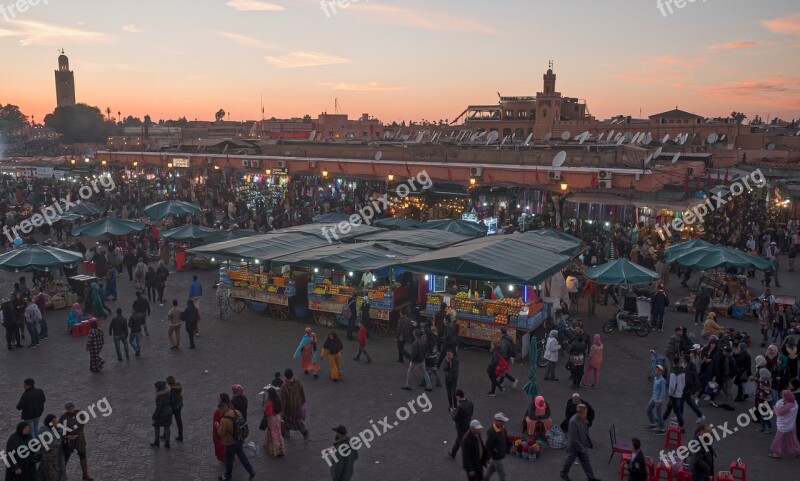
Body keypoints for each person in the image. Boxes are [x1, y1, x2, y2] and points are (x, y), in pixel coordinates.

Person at [215, 403, 256, 481]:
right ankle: (251, 471)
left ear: (221, 409)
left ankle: (228, 476)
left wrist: (217, 426)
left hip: (230, 443)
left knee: (229, 461)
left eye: (219, 411)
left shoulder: (224, 420)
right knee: (242, 456)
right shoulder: (237, 412)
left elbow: (221, 433)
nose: (219, 413)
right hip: (239, 439)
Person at [560, 404, 600, 481]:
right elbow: (573, 437)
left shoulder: (582, 419)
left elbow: (585, 431)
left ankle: (591, 477)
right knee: (569, 461)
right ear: (579, 413)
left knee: (586, 462)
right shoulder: (573, 422)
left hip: (582, 445)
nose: (585, 415)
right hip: (574, 447)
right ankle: (563, 474)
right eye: (584, 413)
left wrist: (586, 443)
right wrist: (581, 448)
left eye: (586, 413)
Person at [59, 402, 93, 480]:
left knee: (82, 455)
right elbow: (60, 428)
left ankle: (85, 474)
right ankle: (62, 475)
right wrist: (67, 436)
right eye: (69, 408)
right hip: (69, 440)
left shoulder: (80, 414)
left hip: (80, 439)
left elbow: (82, 425)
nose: (71, 409)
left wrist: (77, 435)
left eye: (72, 407)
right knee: (66, 457)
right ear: (67, 409)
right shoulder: (63, 417)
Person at [279, 368, 309, 440]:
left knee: (286, 420)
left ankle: (287, 435)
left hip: (288, 408)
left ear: (285, 376)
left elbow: (282, 400)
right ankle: (303, 430)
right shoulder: (297, 382)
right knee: (297, 420)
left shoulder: (284, 387)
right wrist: (302, 401)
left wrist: (282, 410)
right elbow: (301, 392)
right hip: (297, 405)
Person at [769, 389, 800, 458]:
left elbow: (780, 412)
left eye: (783, 396)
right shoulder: (794, 402)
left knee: (778, 439)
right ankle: (797, 451)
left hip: (784, 425)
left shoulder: (788, 406)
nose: (782, 397)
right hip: (791, 424)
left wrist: (775, 408)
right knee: (792, 439)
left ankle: (777, 453)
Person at [38, 414, 67, 481]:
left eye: (56, 420)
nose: (56, 421)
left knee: (61, 472)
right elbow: (41, 445)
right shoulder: (43, 431)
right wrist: (54, 444)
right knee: (51, 476)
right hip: (49, 459)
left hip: (59, 456)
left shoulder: (55, 428)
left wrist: (59, 427)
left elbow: (64, 432)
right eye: (54, 420)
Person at [662, 357, 686, 432]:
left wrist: (670, 394)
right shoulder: (682, 372)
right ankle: (662, 419)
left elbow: (672, 386)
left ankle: (681, 425)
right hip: (679, 393)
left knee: (676, 410)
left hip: (674, 395)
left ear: (673, 363)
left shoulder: (673, 373)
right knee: (669, 407)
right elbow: (683, 383)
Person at [449, 390, 474, 459]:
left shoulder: (461, 407)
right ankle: (453, 453)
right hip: (468, 425)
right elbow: (471, 413)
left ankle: (467, 460)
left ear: (458, 396)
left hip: (461, 427)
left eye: (456, 398)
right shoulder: (470, 403)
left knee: (462, 443)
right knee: (458, 440)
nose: (456, 399)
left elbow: (455, 418)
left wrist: (452, 412)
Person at [484, 413, 509, 481]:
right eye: (503, 421)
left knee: (491, 469)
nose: (504, 423)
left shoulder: (502, 427)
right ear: (497, 421)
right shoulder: (491, 432)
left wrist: (510, 445)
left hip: (499, 453)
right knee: (502, 474)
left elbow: (505, 437)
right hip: (497, 456)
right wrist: (487, 457)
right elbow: (488, 445)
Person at [150, 380, 173, 449]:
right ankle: (167, 443)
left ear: (159, 388)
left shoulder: (159, 397)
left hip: (162, 414)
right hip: (169, 412)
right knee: (167, 426)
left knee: (156, 426)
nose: (155, 388)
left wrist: (154, 416)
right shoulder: (168, 392)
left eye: (156, 387)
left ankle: (157, 441)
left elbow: (158, 409)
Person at [263, 387, 285, 457]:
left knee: (273, 434)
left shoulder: (269, 403)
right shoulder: (278, 399)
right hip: (278, 417)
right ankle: (280, 448)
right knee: (278, 433)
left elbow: (269, 413)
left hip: (272, 419)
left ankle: (276, 450)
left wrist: (264, 410)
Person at [646, 365, 667, 435]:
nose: (657, 372)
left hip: (658, 400)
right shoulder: (655, 378)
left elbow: (663, 392)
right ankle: (653, 424)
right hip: (654, 398)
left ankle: (662, 429)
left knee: (659, 415)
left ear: (661, 372)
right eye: (656, 370)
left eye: (658, 371)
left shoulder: (662, 380)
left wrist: (660, 401)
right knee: (648, 410)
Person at [213, 394, 233, 462]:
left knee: (221, 445)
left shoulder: (218, 412)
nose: (218, 399)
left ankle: (224, 457)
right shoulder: (231, 406)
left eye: (219, 398)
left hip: (221, 431)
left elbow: (216, 423)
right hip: (230, 431)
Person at [167, 376, 183, 442]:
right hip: (179, 406)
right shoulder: (178, 386)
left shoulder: (171, 390)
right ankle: (180, 436)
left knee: (167, 421)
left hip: (173, 407)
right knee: (179, 421)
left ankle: (165, 434)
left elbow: (171, 400)